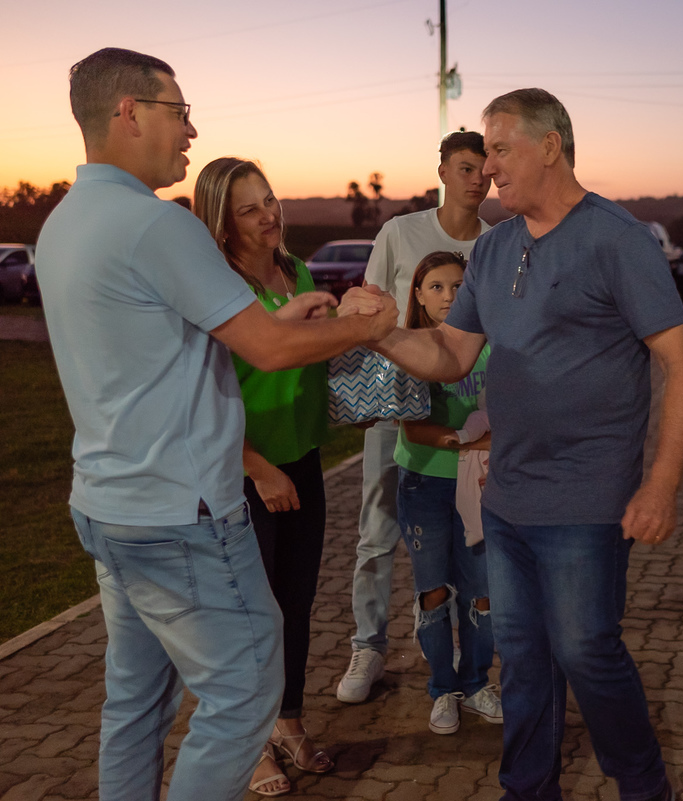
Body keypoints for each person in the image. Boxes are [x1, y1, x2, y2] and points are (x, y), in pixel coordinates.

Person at [35, 48, 397, 801]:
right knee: (244, 691)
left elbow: (172, 338)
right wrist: (363, 330)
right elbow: (266, 350)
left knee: (136, 703)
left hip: (108, 505)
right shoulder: (156, 226)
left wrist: (288, 312)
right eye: (179, 111)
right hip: (182, 513)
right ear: (127, 111)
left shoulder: (67, 222)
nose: (191, 130)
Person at [343, 88, 683, 801]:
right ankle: (528, 787)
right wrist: (379, 332)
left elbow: (682, 361)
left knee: (586, 649)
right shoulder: (497, 246)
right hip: (505, 498)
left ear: (550, 146)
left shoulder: (616, 238)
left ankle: (643, 782)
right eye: (482, 152)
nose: (487, 167)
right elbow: (449, 350)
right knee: (526, 660)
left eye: (501, 148)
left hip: (587, 495)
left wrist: (659, 484)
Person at [193, 156, 335, 796]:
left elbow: (307, 356)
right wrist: (257, 468)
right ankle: (248, 746)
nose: (269, 214)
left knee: (296, 606)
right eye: (250, 209)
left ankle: (289, 722)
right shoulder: (215, 288)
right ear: (222, 224)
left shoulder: (294, 269)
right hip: (244, 472)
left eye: (270, 199)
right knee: (249, 616)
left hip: (302, 461)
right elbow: (200, 394)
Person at [338, 130, 493, 704]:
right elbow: (370, 308)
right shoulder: (400, 233)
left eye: (485, 169)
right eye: (466, 167)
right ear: (444, 172)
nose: (478, 177)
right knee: (377, 533)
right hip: (395, 410)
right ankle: (369, 646)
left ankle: (455, 652)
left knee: (471, 543)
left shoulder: (499, 243)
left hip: (471, 418)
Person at [392, 250, 500, 734]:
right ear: (417, 294)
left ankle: (476, 683)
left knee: (481, 594)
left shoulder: (492, 345)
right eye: (436, 286)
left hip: (480, 483)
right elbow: (414, 430)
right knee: (434, 592)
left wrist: (480, 444)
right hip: (426, 482)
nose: (449, 295)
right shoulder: (411, 347)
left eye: (459, 286)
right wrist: (463, 440)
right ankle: (443, 689)